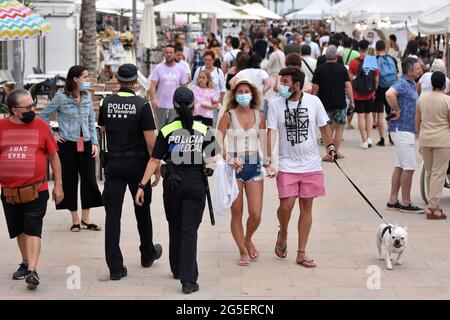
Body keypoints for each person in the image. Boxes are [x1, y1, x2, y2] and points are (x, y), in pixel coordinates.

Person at [135, 87, 219, 294]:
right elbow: (213, 157)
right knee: (189, 230)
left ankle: (176, 268)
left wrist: (142, 185)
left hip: (173, 182)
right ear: (193, 105)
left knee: (175, 225)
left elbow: (154, 159)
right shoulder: (202, 129)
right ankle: (188, 280)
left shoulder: (166, 129)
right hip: (195, 183)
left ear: (173, 106)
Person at [266, 67, 336, 268]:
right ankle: (284, 231)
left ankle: (301, 252)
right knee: (286, 205)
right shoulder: (275, 105)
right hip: (287, 164)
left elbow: (324, 126)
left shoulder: (314, 101)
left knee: (306, 206)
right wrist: (269, 159)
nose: (282, 86)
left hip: (311, 164)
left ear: (297, 84)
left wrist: (330, 147)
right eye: (282, 81)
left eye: (286, 82)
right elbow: (270, 132)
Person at [98, 64, 163, 280]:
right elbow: (151, 143)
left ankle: (115, 267)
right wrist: (155, 169)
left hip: (114, 165)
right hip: (138, 165)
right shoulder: (142, 105)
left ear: (117, 79)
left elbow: (105, 131)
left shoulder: (105, 103)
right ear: (135, 82)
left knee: (112, 216)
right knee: (142, 211)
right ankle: (147, 253)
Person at [1, 89, 64, 289]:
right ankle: (26, 261)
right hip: (10, 192)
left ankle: (32, 271)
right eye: (27, 107)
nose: (32, 110)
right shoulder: (1, 127)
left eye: (33, 105)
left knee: (33, 228)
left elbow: (54, 156)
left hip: (37, 190)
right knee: (19, 230)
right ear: (14, 110)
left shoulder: (42, 127)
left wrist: (59, 186)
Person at [40, 65, 103, 232]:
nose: (88, 81)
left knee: (89, 180)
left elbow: (91, 121)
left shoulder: (87, 97)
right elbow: (43, 116)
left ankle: (86, 218)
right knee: (70, 181)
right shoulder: (61, 98)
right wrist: (53, 135)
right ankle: (75, 219)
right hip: (67, 144)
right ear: (75, 79)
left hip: (87, 142)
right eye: (85, 77)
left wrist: (95, 143)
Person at [217, 78, 267, 266]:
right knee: (236, 214)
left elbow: (264, 140)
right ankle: (242, 250)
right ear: (234, 95)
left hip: (254, 165)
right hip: (234, 166)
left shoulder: (260, 115)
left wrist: (269, 163)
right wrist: (227, 158)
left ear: (252, 93)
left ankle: (248, 238)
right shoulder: (228, 115)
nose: (243, 94)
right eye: (239, 92)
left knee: (256, 214)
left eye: (246, 91)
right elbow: (218, 140)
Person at [386, 57, 425, 213]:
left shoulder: (410, 84)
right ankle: (406, 202)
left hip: (403, 129)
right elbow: (389, 94)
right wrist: (396, 110)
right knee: (409, 166)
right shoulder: (402, 83)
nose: (420, 70)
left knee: (400, 166)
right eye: (417, 69)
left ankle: (393, 200)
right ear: (409, 72)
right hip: (402, 129)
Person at [416, 71, 450, 219]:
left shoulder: (422, 98)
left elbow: (417, 120)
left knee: (430, 172)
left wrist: (419, 136)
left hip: (425, 138)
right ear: (444, 84)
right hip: (442, 140)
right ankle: (432, 207)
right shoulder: (447, 100)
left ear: (431, 84)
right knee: (439, 173)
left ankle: (432, 203)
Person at [312, 45, 354, 159]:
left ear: (326, 56)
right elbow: (348, 86)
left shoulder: (319, 69)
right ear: (336, 56)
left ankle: (329, 153)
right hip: (340, 103)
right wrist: (352, 101)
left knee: (326, 129)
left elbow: (315, 88)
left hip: (324, 104)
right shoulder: (342, 69)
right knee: (340, 128)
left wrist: (312, 100)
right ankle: (336, 152)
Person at [349, 40, 380, 149]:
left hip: (358, 93)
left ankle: (364, 140)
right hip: (370, 93)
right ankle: (369, 137)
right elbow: (376, 78)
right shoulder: (372, 60)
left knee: (361, 116)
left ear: (359, 49)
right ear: (367, 48)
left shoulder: (354, 62)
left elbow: (350, 78)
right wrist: (374, 90)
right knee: (369, 115)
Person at [149, 45, 189, 129]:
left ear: (174, 54)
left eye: (171, 52)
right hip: (160, 105)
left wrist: (184, 103)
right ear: (164, 54)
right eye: (167, 52)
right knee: (161, 130)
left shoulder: (181, 69)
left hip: (176, 106)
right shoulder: (158, 68)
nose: (169, 54)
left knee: (173, 130)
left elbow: (184, 87)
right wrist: (153, 100)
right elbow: (153, 85)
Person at [374, 40, 398, 146]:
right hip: (391, 89)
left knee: (379, 114)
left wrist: (374, 90)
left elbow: (376, 78)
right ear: (385, 48)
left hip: (379, 89)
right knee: (390, 113)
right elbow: (396, 75)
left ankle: (382, 139)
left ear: (376, 49)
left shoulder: (375, 59)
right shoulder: (392, 59)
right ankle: (391, 137)